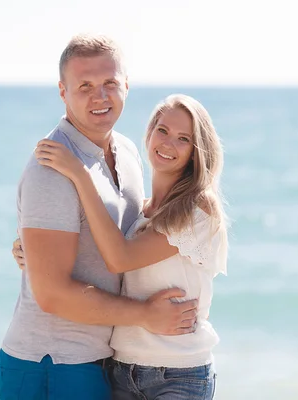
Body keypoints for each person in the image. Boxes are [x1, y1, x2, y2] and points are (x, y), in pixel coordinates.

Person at [0, 34, 198, 400]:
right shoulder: (52, 167)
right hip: (52, 362)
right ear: (63, 91)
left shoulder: (128, 151)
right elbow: (52, 295)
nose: (99, 97)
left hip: (107, 360)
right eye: (84, 86)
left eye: (109, 83)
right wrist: (145, 315)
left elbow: (131, 228)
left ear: (126, 85)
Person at [13, 93, 229, 399]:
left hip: (178, 373)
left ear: (196, 153)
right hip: (121, 370)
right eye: (163, 130)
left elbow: (119, 258)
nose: (167, 144)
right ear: (151, 131)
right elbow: (98, 246)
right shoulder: (140, 215)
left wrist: (78, 173)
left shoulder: (198, 208)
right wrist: (35, 254)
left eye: (183, 139)